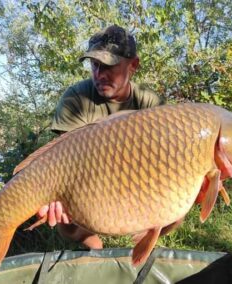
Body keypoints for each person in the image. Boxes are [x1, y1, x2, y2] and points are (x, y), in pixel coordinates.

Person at [35, 25, 165, 248]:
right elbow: (61, 163)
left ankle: (138, 244)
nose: (99, 74)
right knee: (65, 215)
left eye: (109, 66)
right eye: (95, 65)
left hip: (136, 181)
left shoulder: (149, 102)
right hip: (88, 183)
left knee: (178, 211)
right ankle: (95, 248)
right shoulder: (76, 98)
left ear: (133, 65)